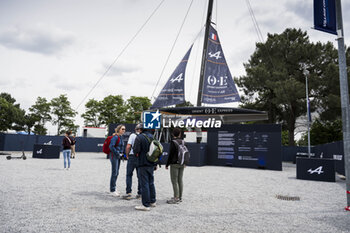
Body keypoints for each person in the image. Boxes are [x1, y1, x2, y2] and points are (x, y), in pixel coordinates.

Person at [133, 124, 156, 211]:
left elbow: (135, 150)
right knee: (151, 182)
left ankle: (145, 205)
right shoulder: (152, 137)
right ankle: (152, 201)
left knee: (144, 183)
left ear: (140, 129)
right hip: (151, 162)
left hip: (143, 162)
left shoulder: (139, 137)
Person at [166, 128, 185, 204]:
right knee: (180, 180)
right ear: (180, 134)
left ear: (173, 134)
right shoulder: (183, 142)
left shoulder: (173, 142)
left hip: (174, 164)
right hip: (182, 163)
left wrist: (167, 164)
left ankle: (176, 198)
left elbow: (171, 154)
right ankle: (180, 197)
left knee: (174, 181)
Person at [122, 124, 142, 200]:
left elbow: (128, 146)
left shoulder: (132, 135)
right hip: (140, 157)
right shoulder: (143, 136)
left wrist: (127, 155)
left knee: (129, 175)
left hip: (132, 156)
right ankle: (140, 193)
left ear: (135, 129)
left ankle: (129, 193)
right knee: (140, 176)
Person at [109, 124, 125, 197]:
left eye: (124, 129)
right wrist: (117, 153)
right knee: (114, 172)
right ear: (119, 129)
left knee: (117, 172)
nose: (124, 130)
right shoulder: (115, 137)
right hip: (114, 156)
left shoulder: (120, 137)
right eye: (122, 129)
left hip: (118, 156)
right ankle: (112, 190)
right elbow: (111, 146)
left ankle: (114, 188)